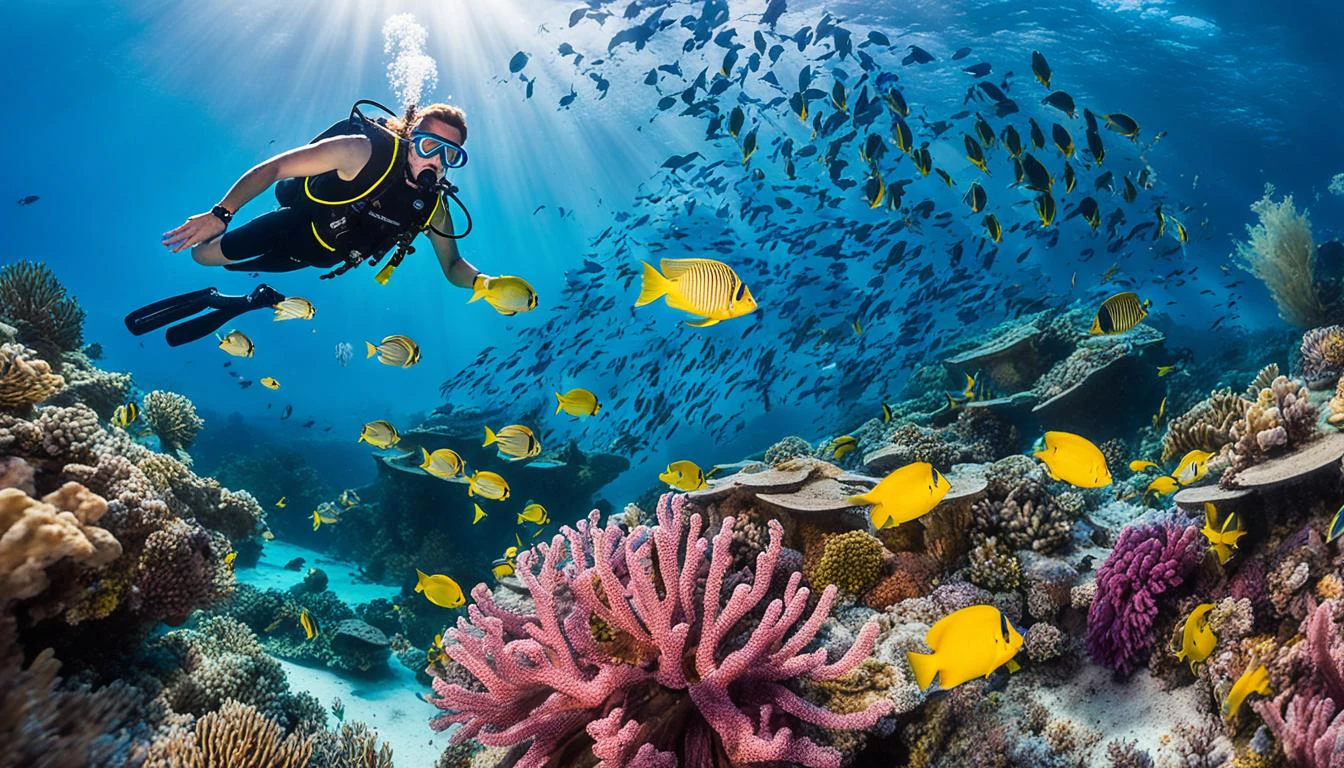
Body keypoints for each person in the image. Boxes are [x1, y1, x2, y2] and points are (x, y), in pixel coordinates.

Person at [127, 101, 492, 345]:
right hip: (290, 226)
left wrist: (486, 285)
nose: (436, 160)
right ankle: (217, 294)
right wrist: (221, 214)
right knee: (201, 258)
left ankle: (251, 300)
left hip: (315, 259)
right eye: (428, 145)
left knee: (235, 270)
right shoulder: (361, 151)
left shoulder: (432, 208)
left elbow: (453, 266)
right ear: (409, 138)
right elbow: (275, 168)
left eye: (450, 154)